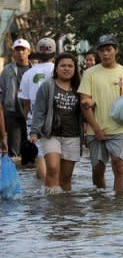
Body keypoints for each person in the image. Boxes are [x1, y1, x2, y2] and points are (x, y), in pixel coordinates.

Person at [78, 34, 123, 196]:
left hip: (120, 128)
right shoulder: (90, 73)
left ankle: (119, 202)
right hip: (95, 129)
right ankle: (100, 199)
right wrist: (96, 128)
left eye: (109, 50)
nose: (105, 54)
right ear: (98, 53)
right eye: (102, 50)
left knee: (119, 165)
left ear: (115, 51)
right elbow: (84, 102)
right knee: (98, 168)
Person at [29, 52, 82, 193]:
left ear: (75, 69)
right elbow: (39, 111)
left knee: (66, 177)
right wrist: (34, 132)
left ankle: (64, 207)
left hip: (73, 135)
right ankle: (51, 205)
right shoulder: (47, 86)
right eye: (63, 66)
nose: (66, 69)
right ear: (56, 69)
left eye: (70, 66)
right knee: (52, 168)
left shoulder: (80, 88)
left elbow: (87, 110)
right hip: (50, 133)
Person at [18, 37, 57, 179]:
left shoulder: (28, 74)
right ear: (54, 53)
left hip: (35, 118)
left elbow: (26, 103)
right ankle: (58, 191)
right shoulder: (61, 70)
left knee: (41, 154)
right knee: (58, 153)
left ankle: (42, 193)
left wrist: (26, 120)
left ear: (37, 53)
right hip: (58, 118)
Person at [0, 38, 32, 157]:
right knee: (14, 153)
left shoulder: (34, 70)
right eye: (17, 50)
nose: (20, 52)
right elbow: (1, 92)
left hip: (31, 115)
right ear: (13, 53)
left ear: (29, 51)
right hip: (13, 114)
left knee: (32, 152)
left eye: (23, 49)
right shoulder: (7, 70)